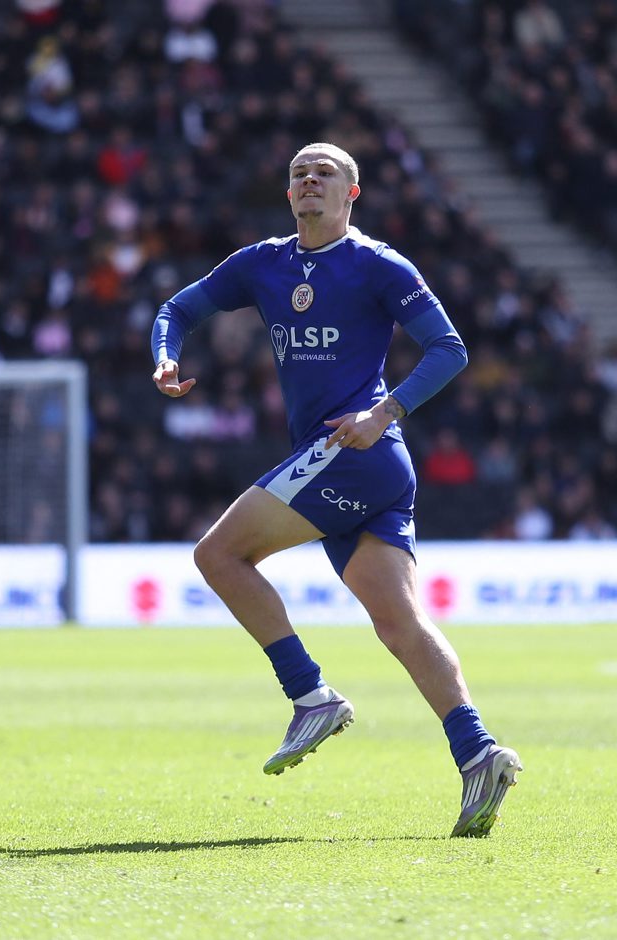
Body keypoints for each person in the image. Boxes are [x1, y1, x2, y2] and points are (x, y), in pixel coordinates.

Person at [151, 142, 522, 837]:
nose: (309, 180)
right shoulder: (262, 263)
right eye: (299, 173)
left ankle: (308, 693)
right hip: (357, 462)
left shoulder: (378, 265)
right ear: (288, 194)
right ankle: (478, 753)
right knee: (400, 624)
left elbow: (450, 349)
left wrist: (385, 411)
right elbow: (177, 308)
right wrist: (165, 357)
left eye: (325, 174)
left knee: (218, 555)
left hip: (352, 451)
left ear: (352, 193)